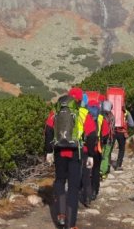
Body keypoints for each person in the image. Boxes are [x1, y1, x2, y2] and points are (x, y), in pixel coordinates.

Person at [45, 87, 98, 229]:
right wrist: (91, 155)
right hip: (76, 153)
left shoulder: (56, 111)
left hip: (59, 152)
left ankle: (61, 215)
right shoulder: (83, 113)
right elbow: (92, 135)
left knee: (60, 181)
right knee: (73, 188)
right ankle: (70, 224)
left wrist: (49, 151)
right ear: (80, 100)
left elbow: (48, 130)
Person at [81, 96, 110, 203]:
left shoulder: (85, 117)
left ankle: (85, 192)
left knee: (87, 171)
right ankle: (94, 191)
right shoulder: (102, 119)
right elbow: (106, 135)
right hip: (97, 149)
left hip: (87, 149)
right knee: (96, 170)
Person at [113, 105, 134, 170]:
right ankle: (118, 165)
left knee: (110, 149)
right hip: (122, 133)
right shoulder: (126, 112)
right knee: (121, 149)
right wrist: (126, 122)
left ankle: (106, 166)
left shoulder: (113, 111)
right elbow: (132, 124)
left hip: (113, 132)